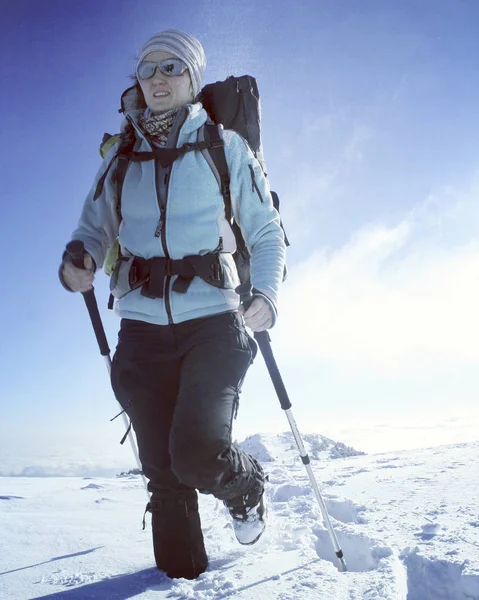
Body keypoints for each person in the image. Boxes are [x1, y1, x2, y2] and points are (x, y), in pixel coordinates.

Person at [60, 29, 286, 580]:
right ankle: (180, 582)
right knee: (161, 467)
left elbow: (266, 231)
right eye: (148, 69)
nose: (158, 79)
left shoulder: (223, 146)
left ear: (193, 77)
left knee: (196, 453)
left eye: (172, 68)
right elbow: (94, 228)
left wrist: (267, 296)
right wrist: (79, 260)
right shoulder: (121, 155)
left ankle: (247, 486)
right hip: (139, 327)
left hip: (213, 320)